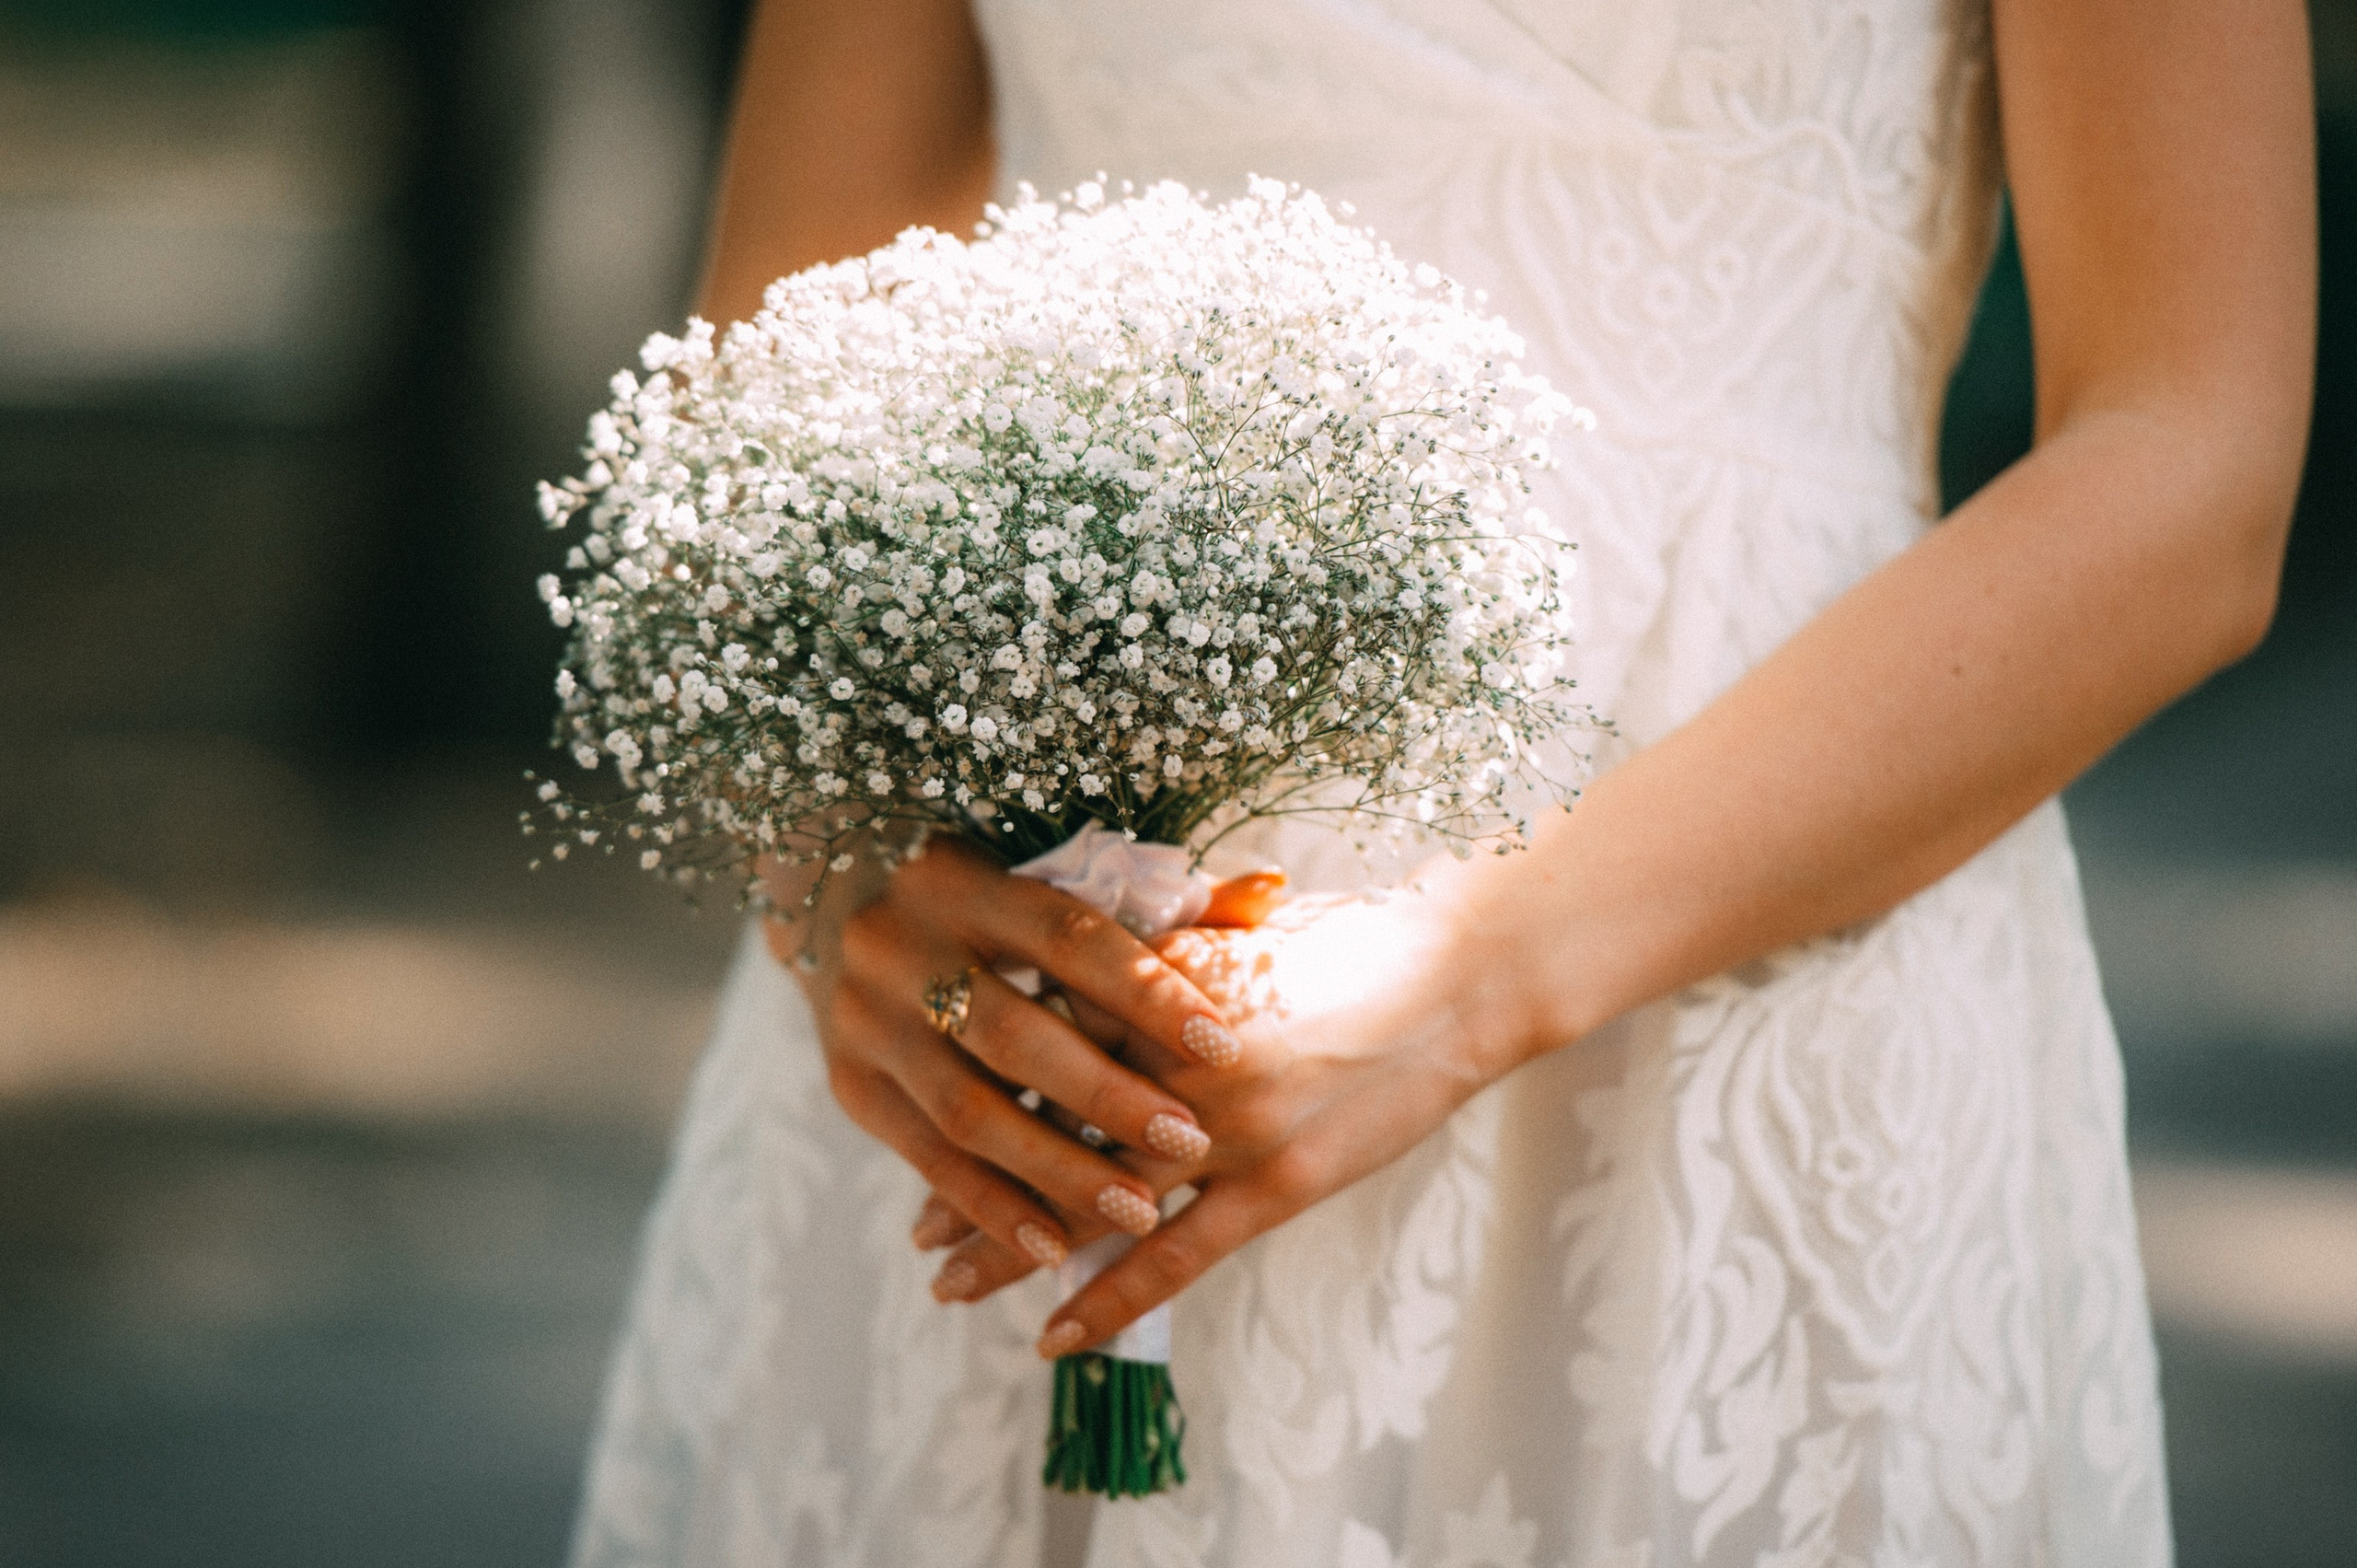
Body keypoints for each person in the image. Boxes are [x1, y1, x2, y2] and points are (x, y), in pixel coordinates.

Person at [570, 1, 2315, 1563]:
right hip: (998, 1019)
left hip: (1728, 948)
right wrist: (847, 878)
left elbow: (2190, 460)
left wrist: (1465, 973)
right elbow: (770, 379)